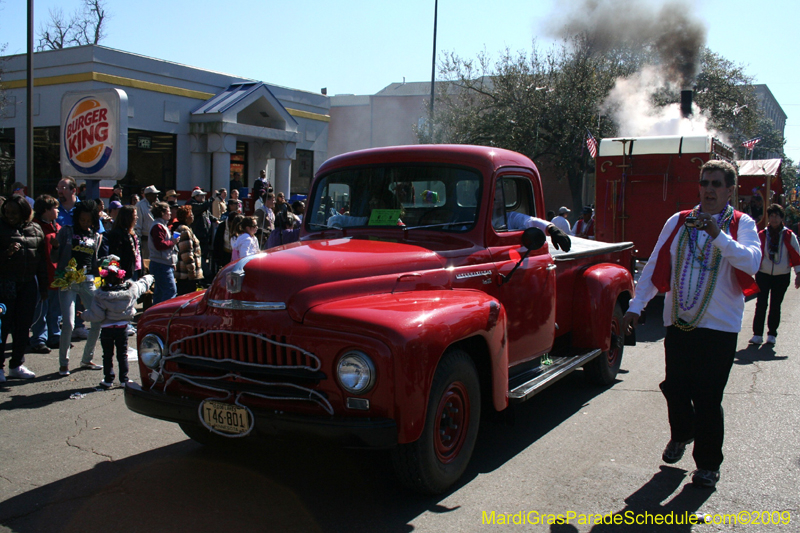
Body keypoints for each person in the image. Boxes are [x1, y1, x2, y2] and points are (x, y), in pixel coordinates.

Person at [622, 160, 761, 489]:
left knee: (709, 397)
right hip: (680, 322)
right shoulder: (679, 221)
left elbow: (752, 261)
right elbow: (656, 262)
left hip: (720, 329)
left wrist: (718, 236)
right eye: (705, 183)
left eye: (717, 184)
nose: (709, 189)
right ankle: (683, 433)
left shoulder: (741, 223)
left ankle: (708, 465)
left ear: (730, 190)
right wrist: (637, 305)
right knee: (675, 387)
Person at [82, 260, 153, 389]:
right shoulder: (131, 291)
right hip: (123, 328)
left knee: (107, 355)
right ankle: (124, 379)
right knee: (123, 354)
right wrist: (149, 277)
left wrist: (84, 315)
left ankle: (108, 379)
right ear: (121, 277)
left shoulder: (100, 295)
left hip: (107, 329)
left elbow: (97, 315)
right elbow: (142, 285)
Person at [53, 199, 105, 375]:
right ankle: (63, 363)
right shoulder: (67, 231)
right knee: (68, 323)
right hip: (68, 280)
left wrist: (99, 281)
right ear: (77, 218)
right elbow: (55, 257)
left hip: (89, 281)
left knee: (97, 320)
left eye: (88, 220)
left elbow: (95, 259)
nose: (85, 223)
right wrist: (54, 248)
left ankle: (87, 359)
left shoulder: (96, 235)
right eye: (82, 219)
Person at [0, 195, 49, 381]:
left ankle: (16, 365)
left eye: (14, 213)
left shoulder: (35, 229)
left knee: (23, 327)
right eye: (7, 212)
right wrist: (7, 253)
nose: (10, 216)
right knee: (3, 327)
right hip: (5, 284)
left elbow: (42, 262)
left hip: (29, 283)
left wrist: (43, 288)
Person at [749, 204, 800, 345]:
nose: (774, 218)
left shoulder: (789, 235)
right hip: (763, 274)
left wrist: (798, 274)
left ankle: (772, 334)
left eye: (777, 215)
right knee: (761, 304)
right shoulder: (762, 235)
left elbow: (796, 255)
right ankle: (757, 334)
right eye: (771, 215)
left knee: (775, 304)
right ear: (768, 218)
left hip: (782, 275)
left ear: (781, 217)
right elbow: (755, 253)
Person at [29, 195, 63, 352]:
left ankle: (54, 336)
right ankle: (39, 339)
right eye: (54, 208)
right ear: (45, 210)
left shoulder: (58, 228)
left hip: (56, 276)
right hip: (42, 275)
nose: (57, 210)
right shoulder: (35, 228)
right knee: (41, 310)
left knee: (55, 310)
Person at [148, 201, 178, 305]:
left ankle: (156, 314)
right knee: (170, 290)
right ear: (162, 213)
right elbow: (159, 245)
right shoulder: (158, 226)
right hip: (161, 264)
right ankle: (166, 313)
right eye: (168, 211)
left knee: (160, 292)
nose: (170, 213)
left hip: (163, 263)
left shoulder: (161, 225)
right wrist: (173, 242)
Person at [173, 205, 204, 295]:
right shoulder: (184, 230)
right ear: (186, 217)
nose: (193, 216)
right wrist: (192, 270)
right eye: (191, 214)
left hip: (183, 273)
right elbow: (186, 253)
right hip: (186, 274)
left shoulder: (178, 229)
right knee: (186, 296)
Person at [135, 185, 159, 260]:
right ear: (148, 196)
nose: (157, 196)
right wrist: (138, 242)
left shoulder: (157, 204)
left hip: (157, 238)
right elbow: (138, 225)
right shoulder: (140, 206)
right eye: (154, 194)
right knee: (146, 261)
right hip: (146, 240)